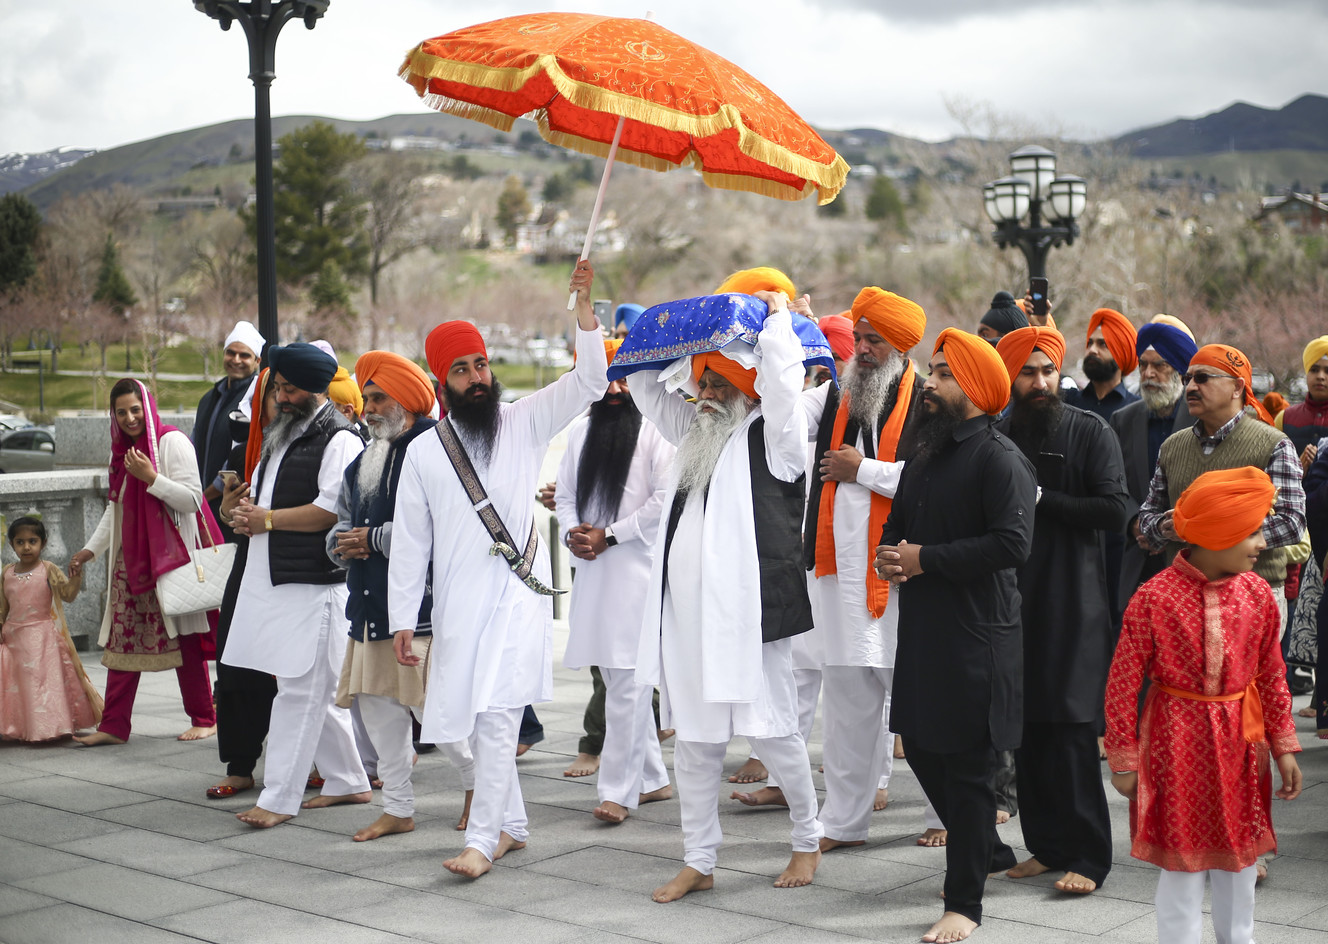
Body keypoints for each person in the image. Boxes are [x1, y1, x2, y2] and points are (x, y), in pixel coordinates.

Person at [389, 261, 609, 878]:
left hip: (516, 604)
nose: (476, 377)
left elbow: (591, 379)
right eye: (461, 369)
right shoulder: (424, 453)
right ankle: (512, 826)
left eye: (481, 364)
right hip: (459, 610)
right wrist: (404, 616)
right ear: (442, 380)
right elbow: (409, 542)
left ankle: (482, 841)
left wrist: (584, 311)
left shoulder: (525, 420)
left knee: (494, 721)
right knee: (459, 725)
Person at [628, 288, 822, 903]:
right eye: (703, 384)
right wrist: (686, 331)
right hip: (686, 621)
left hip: (750, 617)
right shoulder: (696, 430)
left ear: (746, 387)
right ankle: (699, 859)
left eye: (718, 385)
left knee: (772, 735)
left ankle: (808, 838)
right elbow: (645, 386)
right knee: (696, 741)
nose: (706, 395)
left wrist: (776, 319)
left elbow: (785, 387)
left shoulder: (777, 437)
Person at [875, 328, 1036, 944]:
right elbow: (900, 526)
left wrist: (925, 559)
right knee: (918, 746)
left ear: (972, 388)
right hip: (924, 632)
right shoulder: (926, 454)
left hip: (977, 636)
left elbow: (1012, 545)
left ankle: (964, 903)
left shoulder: (1000, 458)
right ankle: (986, 848)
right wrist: (893, 555)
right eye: (933, 371)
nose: (930, 384)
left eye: (943, 375)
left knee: (969, 770)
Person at [1106, 467, 1302, 944]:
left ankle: (1239, 937)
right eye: (1251, 531)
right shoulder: (1153, 597)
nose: (1261, 543)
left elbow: (1271, 675)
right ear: (1217, 535)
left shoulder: (1257, 594)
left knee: (1240, 855)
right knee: (1182, 859)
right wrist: (1124, 759)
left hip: (1241, 740)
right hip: (1176, 742)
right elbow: (1121, 684)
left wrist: (1283, 745)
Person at [994, 326, 1128, 895]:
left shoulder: (1088, 430)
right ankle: (1046, 847)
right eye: (1028, 372)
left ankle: (1090, 857)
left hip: (1074, 605)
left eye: (1048, 370)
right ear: (1008, 378)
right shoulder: (996, 435)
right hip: (1010, 604)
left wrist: (1044, 500)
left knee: (1071, 734)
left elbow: (1115, 508)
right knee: (1026, 732)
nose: (1042, 382)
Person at [328, 350, 476, 841]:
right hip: (370, 608)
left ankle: (481, 789)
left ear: (408, 402)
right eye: (365, 399)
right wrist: (342, 545)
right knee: (377, 709)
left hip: (423, 612)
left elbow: (446, 532)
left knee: (434, 710)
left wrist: (372, 540)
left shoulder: (437, 450)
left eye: (377, 398)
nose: (367, 409)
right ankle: (397, 807)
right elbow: (342, 524)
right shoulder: (364, 457)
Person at [798, 287, 926, 852]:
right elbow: (776, 414)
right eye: (862, 338)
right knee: (848, 706)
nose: (864, 349)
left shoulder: (929, 401)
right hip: (842, 577)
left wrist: (863, 469)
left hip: (903, 577)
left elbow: (936, 479)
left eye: (876, 340)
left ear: (899, 346)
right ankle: (842, 823)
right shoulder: (834, 396)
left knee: (920, 704)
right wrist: (786, 338)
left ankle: (947, 812)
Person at [221, 342, 369, 828]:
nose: (280, 398)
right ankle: (348, 781)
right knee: (307, 688)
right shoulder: (282, 435)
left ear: (315, 388)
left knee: (301, 691)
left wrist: (267, 519)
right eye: (277, 389)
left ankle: (278, 798)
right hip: (274, 579)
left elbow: (331, 510)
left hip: (315, 586)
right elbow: (264, 509)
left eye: (288, 389)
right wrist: (238, 514)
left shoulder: (341, 439)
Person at [555, 345, 675, 822]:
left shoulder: (656, 432)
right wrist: (572, 531)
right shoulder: (581, 432)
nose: (613, 390)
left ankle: (617, 791)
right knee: (616, 676)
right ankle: (653, 781)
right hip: (592, 568)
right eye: (606, 380)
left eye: (623, 381)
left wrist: (613, 535)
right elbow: (565, 494)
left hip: (635, 573)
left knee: (626, 681)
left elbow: (665, 500)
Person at [71, 378, 220, 746]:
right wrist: (91, 549)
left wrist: (151, 478)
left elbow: (192, 499)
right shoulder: (121, 450)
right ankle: (113, 726)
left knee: (184, 638)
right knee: (123, 640)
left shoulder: (172, 442)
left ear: (148, 407)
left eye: (135, 410)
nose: (129, 418)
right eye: (121, 412)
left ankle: (204, 717)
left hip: (171, 559)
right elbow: (116, 508)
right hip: (132, 561)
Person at [1136, 344, 1306, 637]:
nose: (1190, 386)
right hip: (1181, 599)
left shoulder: (1274, 444)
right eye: (1187, 378)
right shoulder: (1172, 447)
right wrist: (1167, 526)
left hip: (1254, 599)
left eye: (1202, 378)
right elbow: (1147, 518)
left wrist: (1205, 530)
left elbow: (1292, 523)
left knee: (1248, 685)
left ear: (1237, 387)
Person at [208, 369, 279, 800]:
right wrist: (227, 512)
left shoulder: (320, 444)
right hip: (248, 567)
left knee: (296, 674)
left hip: (294, 570)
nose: (282, 402)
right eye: (274, 395)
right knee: (235, 661)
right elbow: (229, 516)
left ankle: (318, 761)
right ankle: (240, 764)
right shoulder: (243, 455)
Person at [1111, 320, 1198, 612]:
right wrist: (1135, 522)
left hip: (1191, 556)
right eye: (1143, 365)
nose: (1148, 374)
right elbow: (1113, 483)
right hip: (1138, 554)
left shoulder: (1203, 419)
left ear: (1180, 370)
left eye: (1159, 366)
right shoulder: (1123, 419)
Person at [0, 516, 100, 741]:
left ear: (43, 543)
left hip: (42, 637)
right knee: (17, 683)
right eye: (20, 542)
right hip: (14, 637)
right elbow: (3, 607)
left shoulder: (48, 569)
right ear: (12, 545)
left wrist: (76, 578)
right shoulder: (7, 572)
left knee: (41, 683)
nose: (26, 547)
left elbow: (67, 595)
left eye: (32, 541)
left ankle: (48, 727)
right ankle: (19, 726)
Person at [194, 321, 264, 514]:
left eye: (244, 355)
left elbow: (242, 453)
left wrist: (205, 496)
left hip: (233, 504)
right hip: (201, 501)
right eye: (231, 352)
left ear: (257, 361)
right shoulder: (209, 398)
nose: (236, 359)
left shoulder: (257, 398)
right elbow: (194, 443)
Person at [1064, 308, 1139, 421]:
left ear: (1121, 355)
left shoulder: (1137, 410)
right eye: (1090, 343)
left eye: (1102, 344)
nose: (1092, 350)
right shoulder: (1068, 402)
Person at [1276, 336, 1328, 472]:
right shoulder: (1284, 418)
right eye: (1314, 370)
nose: (1321, 376)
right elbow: (1270, 468)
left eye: (1327, 371)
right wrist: (1296, 470)